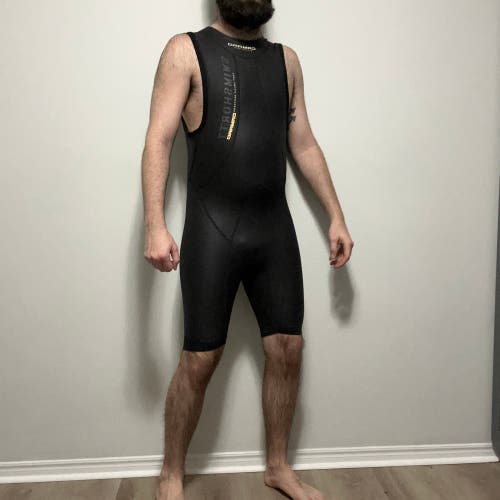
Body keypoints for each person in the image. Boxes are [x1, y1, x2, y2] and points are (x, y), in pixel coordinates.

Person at [141, 1, 354, 498]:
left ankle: (278, 467)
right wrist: (155, 224)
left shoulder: (287, 61)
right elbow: (158, 139)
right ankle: (171, 473)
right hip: (212, 228)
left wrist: (336, 215)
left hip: (272, 228)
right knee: (200, 358)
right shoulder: (186, 51)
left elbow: (303, 144)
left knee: (288, 348)